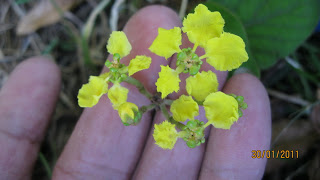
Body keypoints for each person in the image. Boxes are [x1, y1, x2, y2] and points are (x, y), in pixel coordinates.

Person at [0, 5, 271, 180]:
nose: (189, 60)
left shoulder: (193, 95)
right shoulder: (161, 86)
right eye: (188, 59)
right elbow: (166, 91)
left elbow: (188, 99)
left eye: (191, 60)